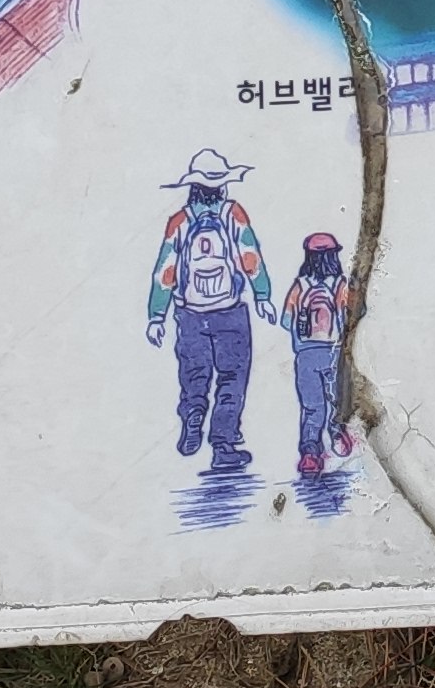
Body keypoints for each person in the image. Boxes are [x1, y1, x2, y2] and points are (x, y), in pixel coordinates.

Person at [143, 150, 271, 474]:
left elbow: (166, 270)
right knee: (232, 379)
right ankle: (223, 446)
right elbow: (250, 256)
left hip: (189, 315)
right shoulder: (233, 214)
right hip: (230, 312)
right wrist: (263, 296)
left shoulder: (179, 221)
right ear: (222, 185)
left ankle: (193, 415)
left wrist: (157, 316)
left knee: (194, 375)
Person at [283, 231, 351, 475]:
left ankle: (310, 453)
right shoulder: (341, 285)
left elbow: (286, 320)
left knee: (312, 406)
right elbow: (354, 313)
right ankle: (338, 434)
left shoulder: (300, 286)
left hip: (306, 354)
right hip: (334, 352)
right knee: (336, 400)